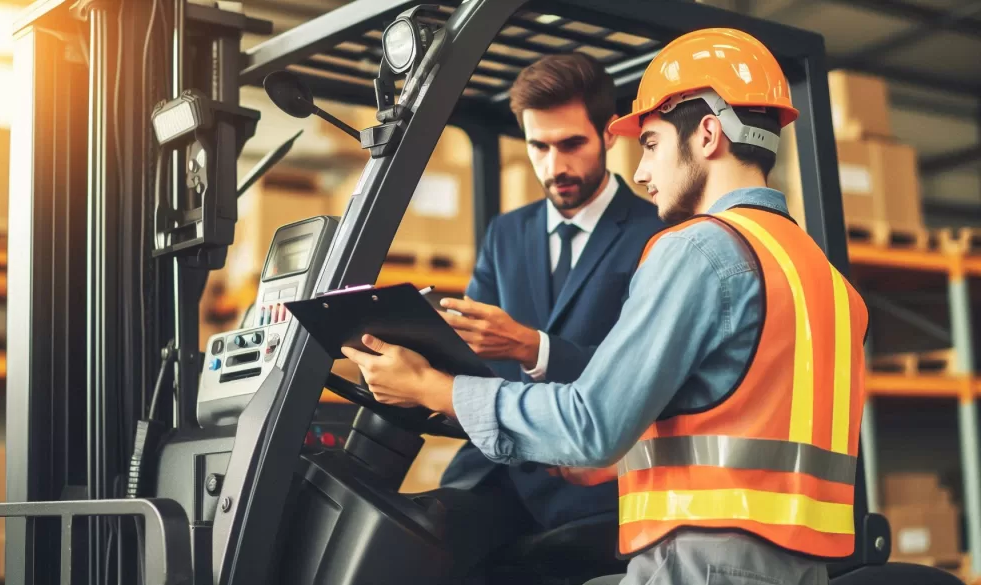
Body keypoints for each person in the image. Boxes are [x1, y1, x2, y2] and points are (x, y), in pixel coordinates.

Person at [344, 27, 869, 585]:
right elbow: (745, 422)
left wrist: (433, 390)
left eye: (651, 144)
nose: (642, 173)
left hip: (699, 560)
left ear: (709, 134)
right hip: (795, 567)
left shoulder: (699, 248)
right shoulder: (829, 281)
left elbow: (593, 423)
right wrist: (618, 463)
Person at [428, 53, 663, 574]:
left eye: (571, 144)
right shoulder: (505, 234)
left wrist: (531, 347)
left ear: (609, 134)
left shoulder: (660, 236)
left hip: (595, 481)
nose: (554, 166)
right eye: (539, 146)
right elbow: (473, 359)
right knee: (404, 542)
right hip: (497, 471)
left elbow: (642, 382)